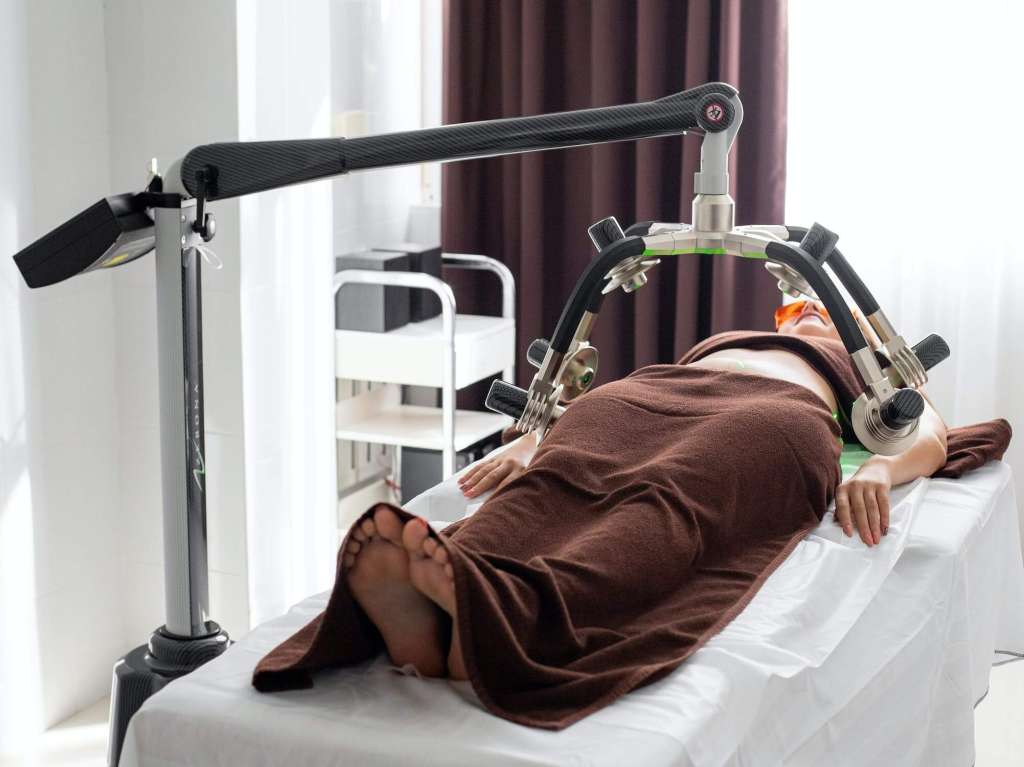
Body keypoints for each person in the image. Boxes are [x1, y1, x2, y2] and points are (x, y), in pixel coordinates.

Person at [336, 300, 948, 685]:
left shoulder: (869, 364)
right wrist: (538, 440)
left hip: (773, 414)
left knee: (665, 497)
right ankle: (456, 584)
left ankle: (509, 617)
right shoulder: (725, 340)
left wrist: (875, 471)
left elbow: (932, 430)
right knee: (559, 480)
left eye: (817, 305)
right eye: (791, 309)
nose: (802, 310)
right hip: (646, 394)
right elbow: (564, 423)